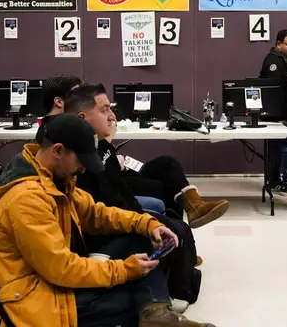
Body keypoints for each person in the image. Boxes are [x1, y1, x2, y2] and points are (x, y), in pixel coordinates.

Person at [0, 113, 214, 327]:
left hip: (53, 279)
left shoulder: (52, 179)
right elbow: (62, 269)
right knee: (130, 298)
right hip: (34, 298)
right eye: (80, 160)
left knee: (141, 238)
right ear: (58, 150)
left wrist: (147, 224)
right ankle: (153, 310)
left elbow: (98, 214)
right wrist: (125, 270)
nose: (83, 169)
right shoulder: (26, 199)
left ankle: (155, 311)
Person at [68, 84, 203, 306]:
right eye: (104, 110)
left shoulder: (100, 147)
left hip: (117, 215)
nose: (112, 116)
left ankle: (177, 281)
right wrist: (140, 222)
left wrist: (143, 219)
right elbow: (97, 209)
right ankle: (173, 291)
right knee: (171, 227)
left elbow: (120, 191)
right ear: (83, 117)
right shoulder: (74, 159)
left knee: (172, 220)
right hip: (101, 232)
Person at [65, 85, 229, 229]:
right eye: (104, 110)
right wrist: (109, 138)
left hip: (119, 170)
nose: (112, 116)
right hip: (114, 181)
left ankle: (194, 208)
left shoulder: (96, 139)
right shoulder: (65, 139)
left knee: (167, 163)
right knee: (164, 187)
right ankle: (178, 236)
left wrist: (112, 150)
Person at [259, 29, 287, 194]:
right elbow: (275, 91)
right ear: (278, 44)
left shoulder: (284, 59)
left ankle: (274, 180)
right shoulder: (274, 62)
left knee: (275, 148)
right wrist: (282, 116)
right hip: (278, 114)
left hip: (276, 113)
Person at [35, 73, 82, 141]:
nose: (82, 101)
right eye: (77, 96)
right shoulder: (60, 135)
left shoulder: (47, 129)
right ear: (59, 102)